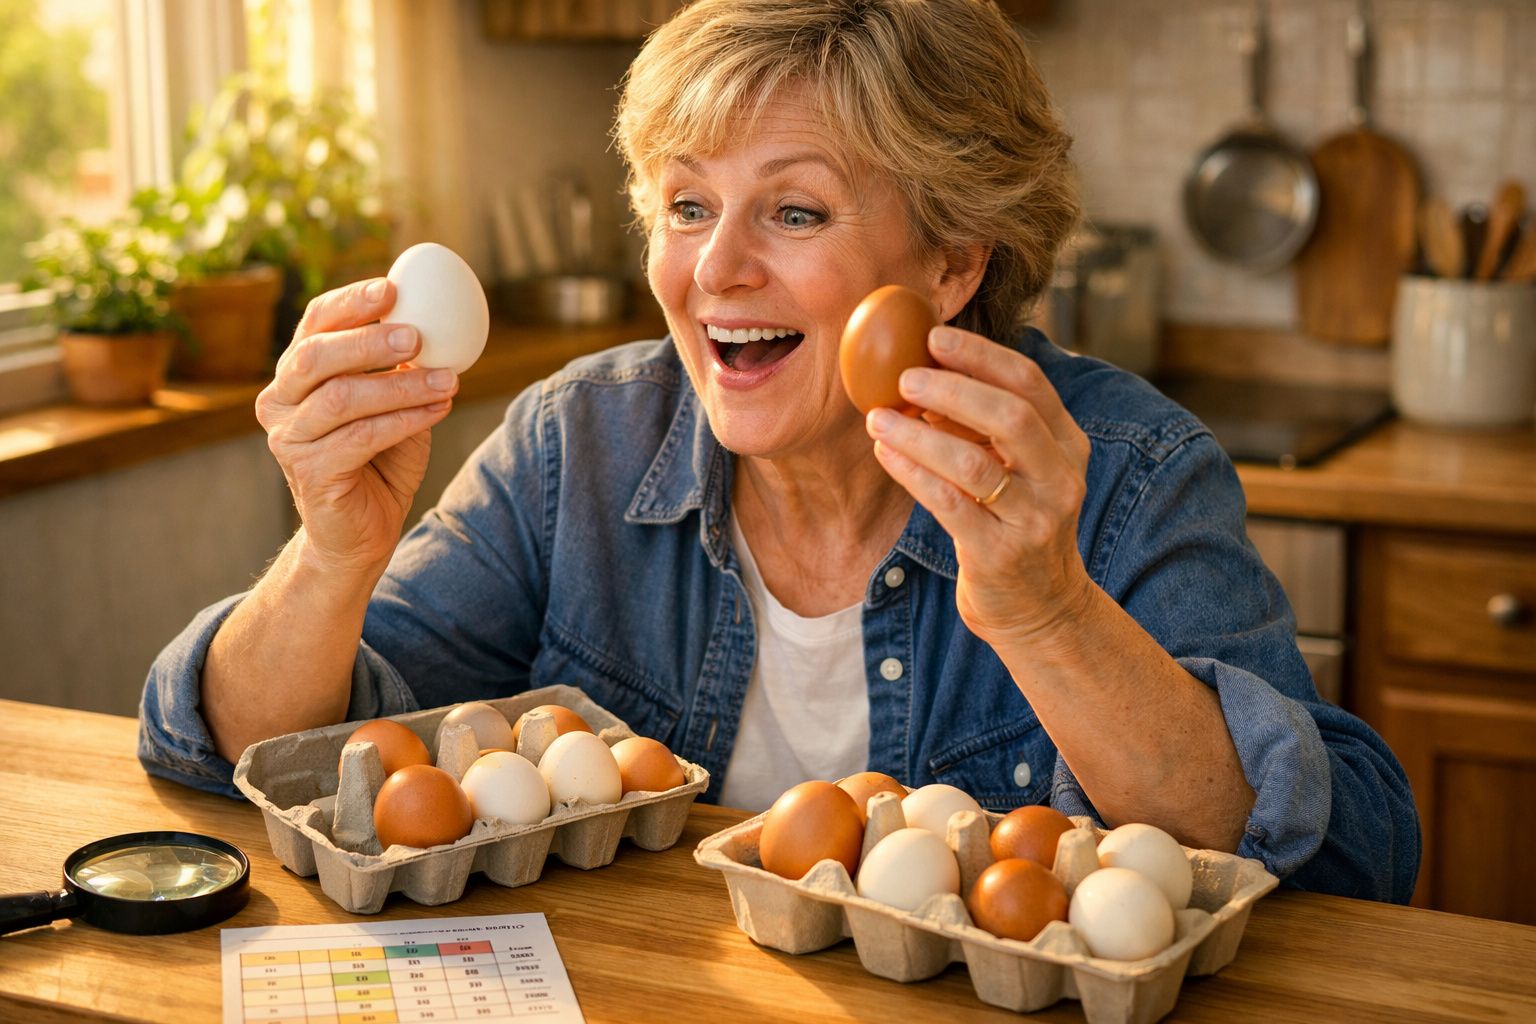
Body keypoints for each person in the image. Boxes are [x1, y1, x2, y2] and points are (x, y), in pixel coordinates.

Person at [139, 0, 1419, 902]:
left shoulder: (1125, 467)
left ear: (954, 263)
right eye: (688, 206)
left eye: (793, 210)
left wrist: (1046, 611)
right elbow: (242, 752)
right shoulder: (576, 443)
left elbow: (1353, 856)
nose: (716, 270)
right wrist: (331, 554)